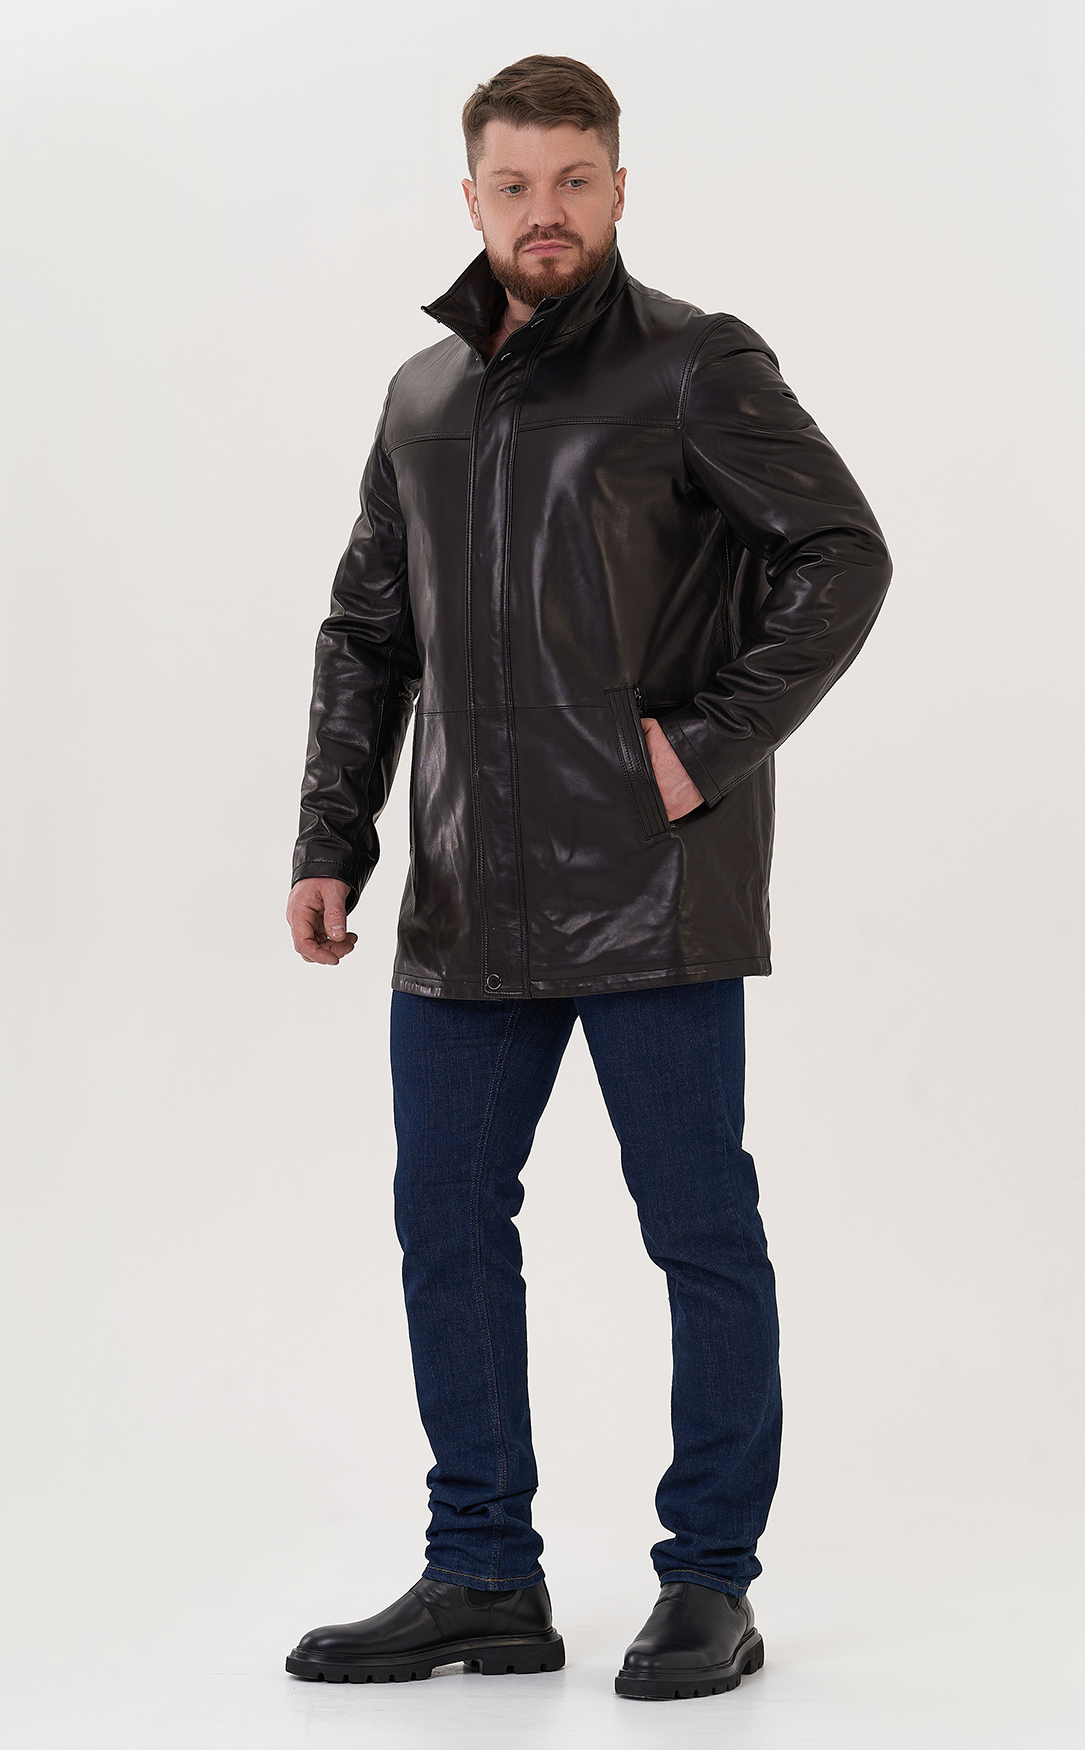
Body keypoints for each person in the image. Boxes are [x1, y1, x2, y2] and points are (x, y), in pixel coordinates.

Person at [283, 54, 892, 1702]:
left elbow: (842, 553)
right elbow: (367, 631)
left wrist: (704, 743)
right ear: (471, 197)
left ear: (620, 187)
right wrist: (332, 836)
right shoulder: (420, 394)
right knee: (444, 1220)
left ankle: (710, 1579)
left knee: (698, 1225)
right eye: (514, 185)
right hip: (467, 892)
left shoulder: (697, 364)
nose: (542, 212)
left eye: (573, 181)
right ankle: (483, 1568)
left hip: (651, 884)